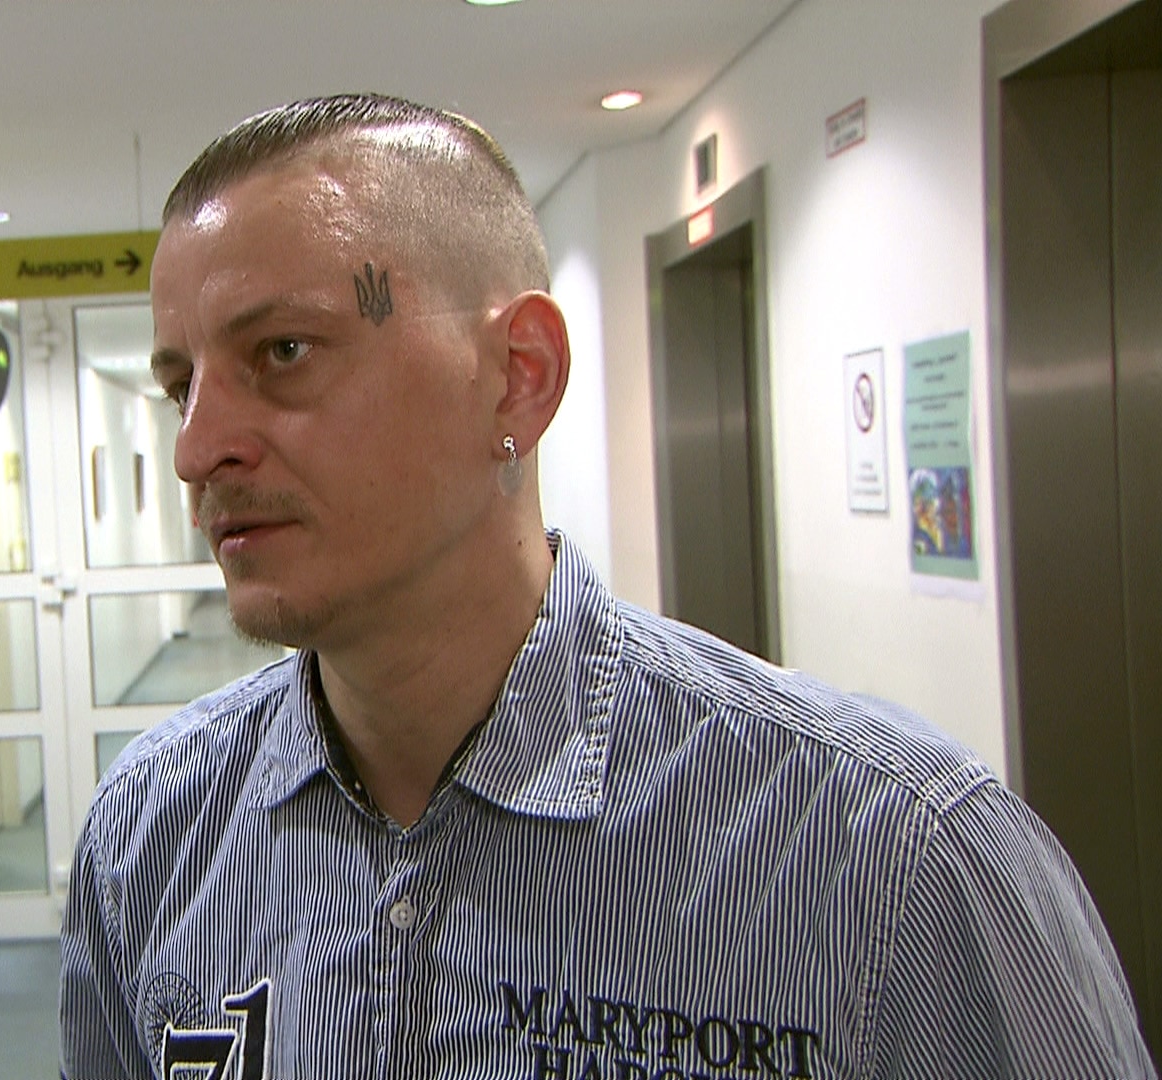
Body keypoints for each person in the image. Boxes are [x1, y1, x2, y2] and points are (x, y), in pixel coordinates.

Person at [59, 93, 1155, 1080]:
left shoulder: (895, 859)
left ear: (518, 378)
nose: (197, 448)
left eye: (284, 351)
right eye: (181, 385)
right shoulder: (149, 837)